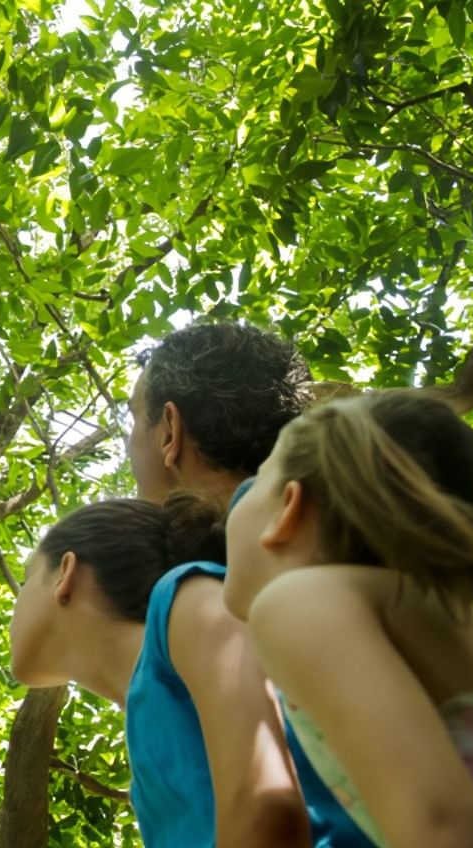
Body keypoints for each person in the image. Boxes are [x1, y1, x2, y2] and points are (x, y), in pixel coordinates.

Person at [125, 321, 376, 847]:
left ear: (170, 430)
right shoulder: (366, 526)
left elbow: (266, 810)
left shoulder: (198, 591)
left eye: (133, 420)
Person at [223, 390, 473, 847]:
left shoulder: (298, 602)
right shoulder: (454, 615)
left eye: (257, 479)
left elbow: (447, 827)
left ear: (287, 508)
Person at [11, 493, 311, 847]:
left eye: (27, 576)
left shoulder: (187, 598)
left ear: (65, 571)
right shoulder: (143, 728)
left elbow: (268, 808)